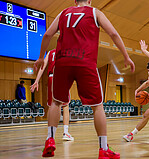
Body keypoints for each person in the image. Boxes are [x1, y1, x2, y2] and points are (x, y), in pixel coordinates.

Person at [34, 0, 135, 158]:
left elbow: (47, 34)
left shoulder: (63, 13)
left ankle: (50, 139)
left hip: (63, 63)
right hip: (85, 62)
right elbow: (114, 34)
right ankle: (103, 149)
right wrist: (126, 57)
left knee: (56, 102)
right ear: (90, 1)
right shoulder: (95, 13)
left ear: (75, 1)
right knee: (97, 106)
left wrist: (41, 57)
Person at [30, 49, 74, 141]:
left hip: (50, 78)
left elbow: (42, 67)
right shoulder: (66, 50)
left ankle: (50, 135)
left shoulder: (50, 52)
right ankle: (66, 132)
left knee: (52, 106)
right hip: (61, 77)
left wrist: (36, 80)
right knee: (65, 106)